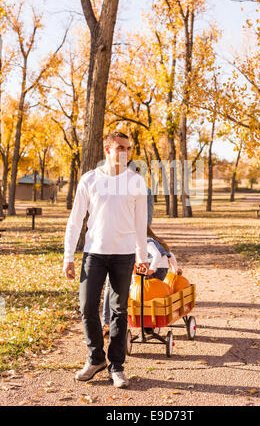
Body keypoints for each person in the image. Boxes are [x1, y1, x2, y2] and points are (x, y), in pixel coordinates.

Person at [63, 131, 150, 388]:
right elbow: (75, 220)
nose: (126, 152)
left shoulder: (136, 182)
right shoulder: (90, 180)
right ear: (107, 150)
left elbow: (140, 223)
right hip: (94, 254)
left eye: (129, 148)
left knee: (119, 311)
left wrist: (141, 256)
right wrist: (68, 256)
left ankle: (117, 366)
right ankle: (95, 358)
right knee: (87, 306)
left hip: (123, 256)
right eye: (121, 148)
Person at [101, 161, 154, 338]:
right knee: (112, 283)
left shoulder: (143, 190)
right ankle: (107, 323)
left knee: (132, 281)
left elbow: (146, 219)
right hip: (114, 240)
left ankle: (142, 319)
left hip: (132, 240)